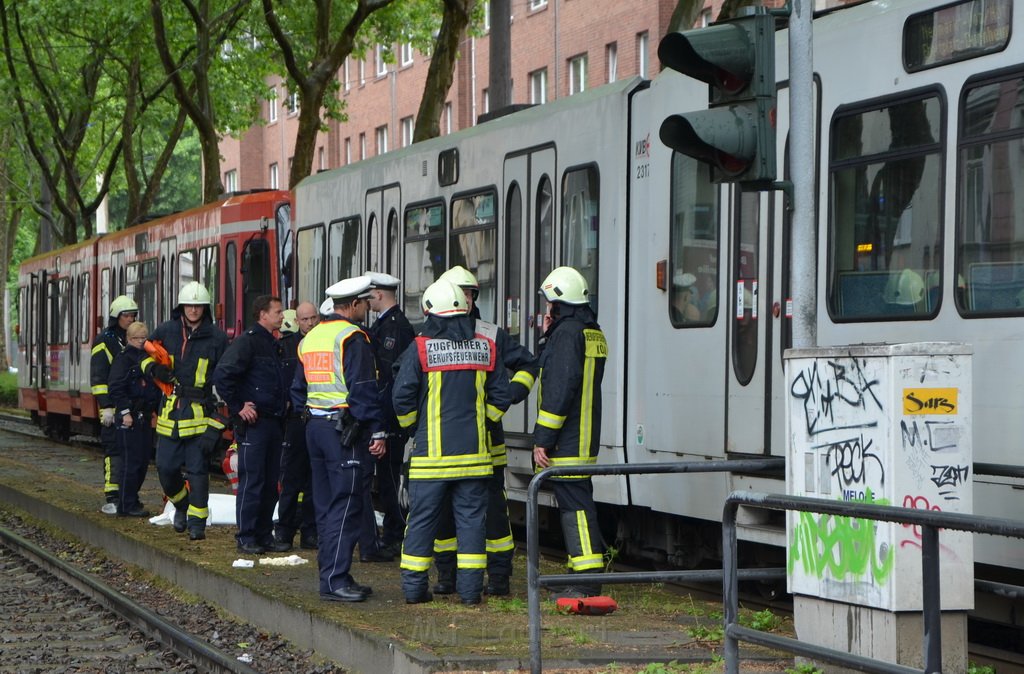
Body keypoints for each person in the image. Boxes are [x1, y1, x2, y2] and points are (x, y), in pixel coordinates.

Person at [392, 278, 512, 605]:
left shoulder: (420, 348)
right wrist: (482, 420)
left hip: (430, 462)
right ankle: (471, 594)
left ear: (432, 312)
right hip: (475, 460)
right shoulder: (485, 347)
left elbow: (401, 397)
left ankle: (415, 591)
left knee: (420, 524)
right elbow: (502, 396)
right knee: (473, 525)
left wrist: (415, 427)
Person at [432, 265, 538, 597]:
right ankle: (448, 576)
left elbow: (528, 365)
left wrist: (501, 404)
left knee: (493, 511)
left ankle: (500, 577)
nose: (465, 299)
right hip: (444, 445)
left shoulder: (490, 333)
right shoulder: (429, 332)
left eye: (470, 293)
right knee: (443, 513)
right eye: (460, 292)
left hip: (486, 444)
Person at [292, 276, 386, 602]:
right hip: (343, 431)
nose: (367, 308)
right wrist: (376, 429)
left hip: (315, 428)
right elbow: (363, 390)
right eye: (364, 303)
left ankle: (333, 574)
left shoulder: (311, 337)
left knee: (325, 504)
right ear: (354, 304)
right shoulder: (353, 338)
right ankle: (335, 580)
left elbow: (297, 390)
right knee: (346, 503)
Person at [532, 266, 608, 598]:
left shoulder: (567, 335)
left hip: (566, 439)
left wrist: (542, 439)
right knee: (578, 502)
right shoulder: (593, 332)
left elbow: (560, 389)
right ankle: (579, 570)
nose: (547, 309)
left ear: (559, 304)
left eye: (549, 304)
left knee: (574, 507)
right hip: (584, 436)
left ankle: (586, 579)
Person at [143, 281, 229, 541]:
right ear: (181, 307)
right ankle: (181, 505)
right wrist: (153, 369)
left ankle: (197, 524)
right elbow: (145, 355)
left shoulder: (217, 338)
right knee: (165, 469)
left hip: (200, 416)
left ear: (205, 308)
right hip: (170, 415)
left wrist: (218, 423)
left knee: (198, 471)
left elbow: (225, 379)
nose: (193, 310)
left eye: (198, 306)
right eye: (189, 305)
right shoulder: (166, 331)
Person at [213, 295, 290, 555]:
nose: (282, 315)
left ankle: (263, 534)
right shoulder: (248, 342)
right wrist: (238, 407)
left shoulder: (273, 343)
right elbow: (223, 375)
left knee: (270, 482)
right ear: (263, 314)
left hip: (273, 421)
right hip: (255, 424)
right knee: (253, 480)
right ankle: (246, 536)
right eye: (278, 311)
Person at [364, 271, 415, 557]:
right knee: (386, 478)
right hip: (388, 414)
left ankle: (395, 533)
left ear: (380, 295)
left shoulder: (394, 328)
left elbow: (388, 378)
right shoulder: (386, 325)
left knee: (390, 480)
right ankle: (395, 531)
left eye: (370, 296)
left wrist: (383, 422)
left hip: (392, 416)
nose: (367, 301)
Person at [274, 301, 321, 551]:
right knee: (291, 478)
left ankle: (310, 532)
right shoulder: (286, 347)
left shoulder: (323, 342)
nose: (310, 323)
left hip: (317, 417)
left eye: (314, 318)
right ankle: (284, 530)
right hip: (295, 421)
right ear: (297, 321)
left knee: (315, 479)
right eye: (305, 319)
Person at [91, 295, 138, 514]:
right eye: (126, 315)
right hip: (113, 407)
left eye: (133, 316)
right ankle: (112, 494)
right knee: (113, 449)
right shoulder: (104, 341)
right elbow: (99, 377)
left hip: (130, 404)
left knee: (131, 452)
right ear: (116, 317)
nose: (130, 319)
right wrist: (106, 406)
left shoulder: (133, 340)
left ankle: (127, 495)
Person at [108, 321, 160, 517]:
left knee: (142, 461)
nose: (140, 341)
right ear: (129, 339)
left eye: (143, 338)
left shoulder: (147, 357)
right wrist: (124, 412)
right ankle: (126, 504)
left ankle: (131, 499)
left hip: (144, 416)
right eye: (137, 338)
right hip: (129, 417)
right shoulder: (123, 359)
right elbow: (116, 387)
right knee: (131, 463)